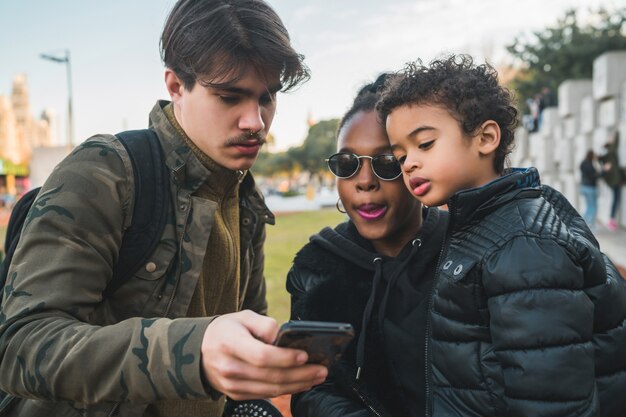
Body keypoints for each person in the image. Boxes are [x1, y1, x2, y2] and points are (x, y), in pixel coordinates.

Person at [0, 1, 328, 416]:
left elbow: (243, 341)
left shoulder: (243, 196)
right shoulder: (106, 171)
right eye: (230, 97)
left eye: (266, 98)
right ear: (176, 86)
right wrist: (193, 353)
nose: (255, 121)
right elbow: (21, 347)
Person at [378, 54, 626, 417]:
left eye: (425, 144)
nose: (409, 163)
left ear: (486, 137)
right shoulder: (480, 221)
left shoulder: (524, 246)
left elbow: (551, 400)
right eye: (400, 156)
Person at [286, 74, 448, 416]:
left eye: (387, 162)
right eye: (347, 164)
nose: (364, 182)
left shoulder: (467, 252)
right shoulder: (315, 267)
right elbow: (311, 390)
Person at [599, 130, 623, 231]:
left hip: (614, 179)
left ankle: (611, 220)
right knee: (616, 199)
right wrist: (617, 131)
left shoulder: (607, 150)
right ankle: (611, 220)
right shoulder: (609, 150)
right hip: (614, 180)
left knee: (615, 199)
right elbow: (615, 144)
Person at [579, 149, 603, 229]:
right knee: (592, 207)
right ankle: (589, 225)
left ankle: (584, 224)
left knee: (589, 206)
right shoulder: (589, 164)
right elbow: (593, 177)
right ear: (592, 155)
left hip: (584, 187)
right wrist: (603, 171)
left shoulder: (583, 163)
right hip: (590, 188)